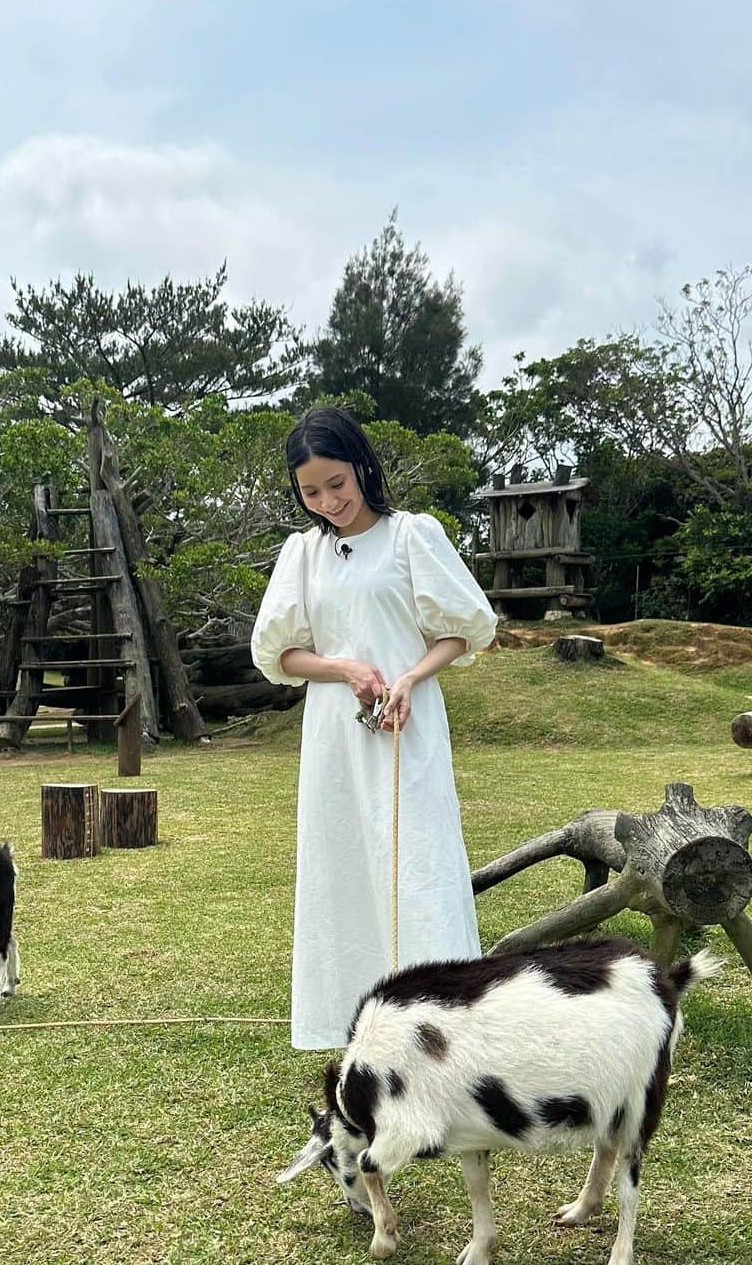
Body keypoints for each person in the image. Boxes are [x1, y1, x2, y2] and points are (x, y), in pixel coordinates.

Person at [251, 406, 498, 1049]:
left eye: (337, 482)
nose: (327, 500)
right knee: (340, 864)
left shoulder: (411, 536)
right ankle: (356, 1022)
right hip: (336, 732)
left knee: (419, 859)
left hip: (407, 728)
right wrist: (342, 668)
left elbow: (465, 629)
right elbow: (277, 655)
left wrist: (411, 676)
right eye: (310, 491)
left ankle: (441, 1021)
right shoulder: (302, 554)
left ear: (361, 466)